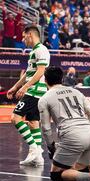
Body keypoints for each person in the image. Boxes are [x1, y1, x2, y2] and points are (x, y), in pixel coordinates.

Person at [7, 25, 50, 166]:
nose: (23, 39)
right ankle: (38, 157)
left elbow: (40, 72)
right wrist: (15, 87)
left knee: (15, 117)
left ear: (30, 34)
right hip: (34, 90)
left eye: (24, 36)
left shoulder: (41, 50)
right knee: (32, 122)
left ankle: (34, 149)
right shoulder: (34, 51)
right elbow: (28, 72)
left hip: (35, 90)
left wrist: (25, 87)